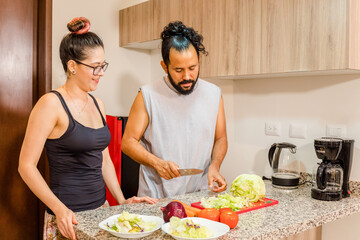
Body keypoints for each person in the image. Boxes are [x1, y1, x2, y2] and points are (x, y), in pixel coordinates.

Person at [18, 17, 157, 240]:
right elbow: (26, 166)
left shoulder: (97, 104)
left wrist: (120, 202)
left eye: (103, 65)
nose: (101, 72)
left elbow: (103, 159)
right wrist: (60, 209)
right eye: (94, 67)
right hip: (68, 218)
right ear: (72, 66)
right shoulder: (50, 104)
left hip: (100, 212)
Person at [122, 21, 228, 199]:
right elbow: (128, 142)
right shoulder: (148, 95)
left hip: (198, 196)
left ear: (199, 61)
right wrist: (157, 164)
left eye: (192, 68)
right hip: (155, 197)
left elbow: (221, 138)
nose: (187, 76)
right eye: (178, 70)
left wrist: (215, 166)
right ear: (164, 66)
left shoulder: (214, 94)